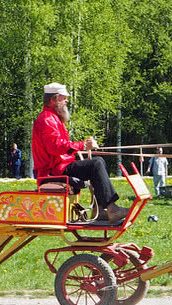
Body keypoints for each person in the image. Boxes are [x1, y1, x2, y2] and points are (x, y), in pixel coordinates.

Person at [31, 82, 130, 222]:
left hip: (59, 167)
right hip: (52, 172)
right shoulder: (47, 119)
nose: (66, 101)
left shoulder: (52, 119)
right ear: (54, 99)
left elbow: (60, 147)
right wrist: (83, 145)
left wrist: (81, 147)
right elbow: (55, 147)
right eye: (64, 98)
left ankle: (101, 210)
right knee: (95, 164)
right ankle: (111, 209)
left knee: (97, 162)